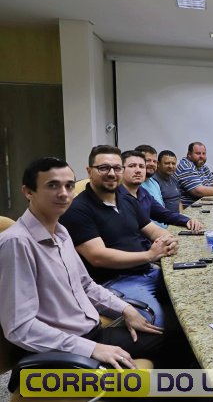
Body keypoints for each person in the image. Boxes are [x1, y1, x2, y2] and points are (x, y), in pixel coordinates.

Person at [0, 157, 163, 369]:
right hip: (58, 354)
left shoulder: (61, 232)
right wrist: (92, 349)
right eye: (52, 185)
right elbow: (19, 327)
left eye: (69, 186)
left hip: (90, 334)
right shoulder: (16, 243)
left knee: (175, 341)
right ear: (28, 192)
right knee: (167, 362)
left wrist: (126, 309)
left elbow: (86, 285)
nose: (64, 193)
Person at [60, 145, 179, 327]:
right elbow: (98, 257)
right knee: (157, 322)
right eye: (103, 168)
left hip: (148, 271)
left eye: (117, 168)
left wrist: (167, 240)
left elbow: (153, 229)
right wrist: (150, 255)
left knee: (191, 296)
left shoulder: (127, 200)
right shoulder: (77, 209)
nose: (111, 173)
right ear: (89, 171)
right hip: (114, 282)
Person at [119, 150, 203, 231]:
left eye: (141, 166)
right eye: (132, 166)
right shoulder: (116, 197)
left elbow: (163, 213)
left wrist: (187, 220)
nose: (138, 170)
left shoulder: (143, 193)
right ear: (120, 169)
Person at [176, 142, 213, 207]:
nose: (201, 156)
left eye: (203, 153)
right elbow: (198, 191)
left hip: (204, 204)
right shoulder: (186, 166)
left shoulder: (203, 166)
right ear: (189, 154)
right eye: (198, 153)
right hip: (191, 208)